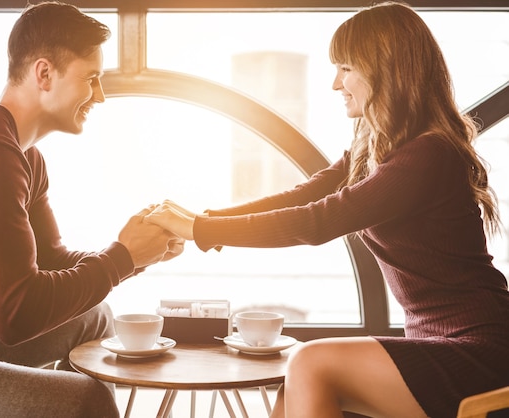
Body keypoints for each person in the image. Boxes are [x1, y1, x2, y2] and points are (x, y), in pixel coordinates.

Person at [144, 2, 509, 417]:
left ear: (385, 68)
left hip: (481, 350)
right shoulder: (375, 147)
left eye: (346, 67)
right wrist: (203, 219)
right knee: (294, 383)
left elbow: (318, 221)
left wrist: (199, 229)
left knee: (310, 362)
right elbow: (304, 196)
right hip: (435, 343)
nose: (336, 83)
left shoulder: (428, 155)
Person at [0, 2, 183, 417]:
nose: (100, 95)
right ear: (44, 74)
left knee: (93, 317)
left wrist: (135, 253)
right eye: (91, 79)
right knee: (83, 400)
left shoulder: (23, 155)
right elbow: (15, 316)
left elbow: (52, 261)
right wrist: (122, 257)